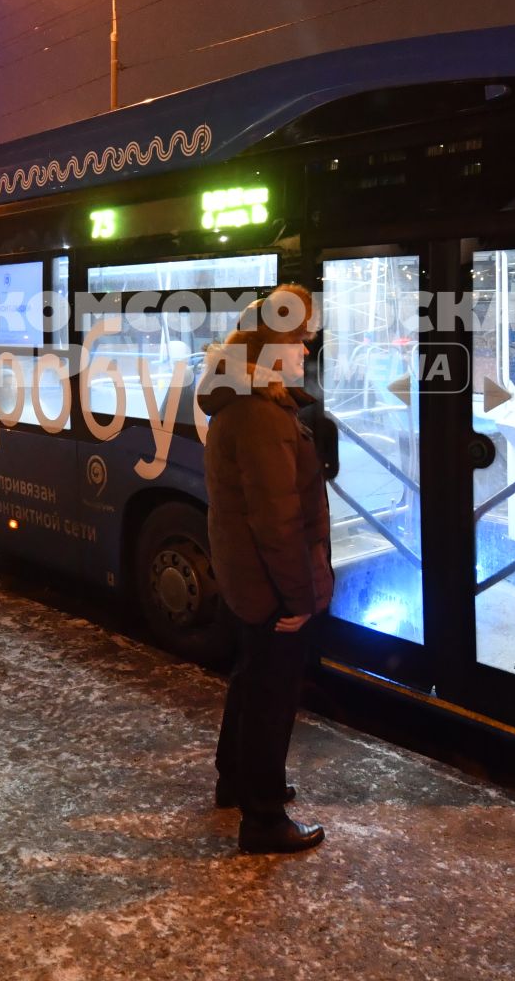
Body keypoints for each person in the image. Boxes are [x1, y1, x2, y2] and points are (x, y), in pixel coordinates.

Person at [197, 284, 332, 855]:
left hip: (247, 579)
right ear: (271, 349)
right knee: (272, 696)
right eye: (299, 344)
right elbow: (277, 520)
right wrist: (299, 600)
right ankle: (264, 818)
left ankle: (240, 781)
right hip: (269, 587)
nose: (306, 353)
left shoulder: (242, 399)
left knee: (251, 680)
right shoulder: (260, 414)